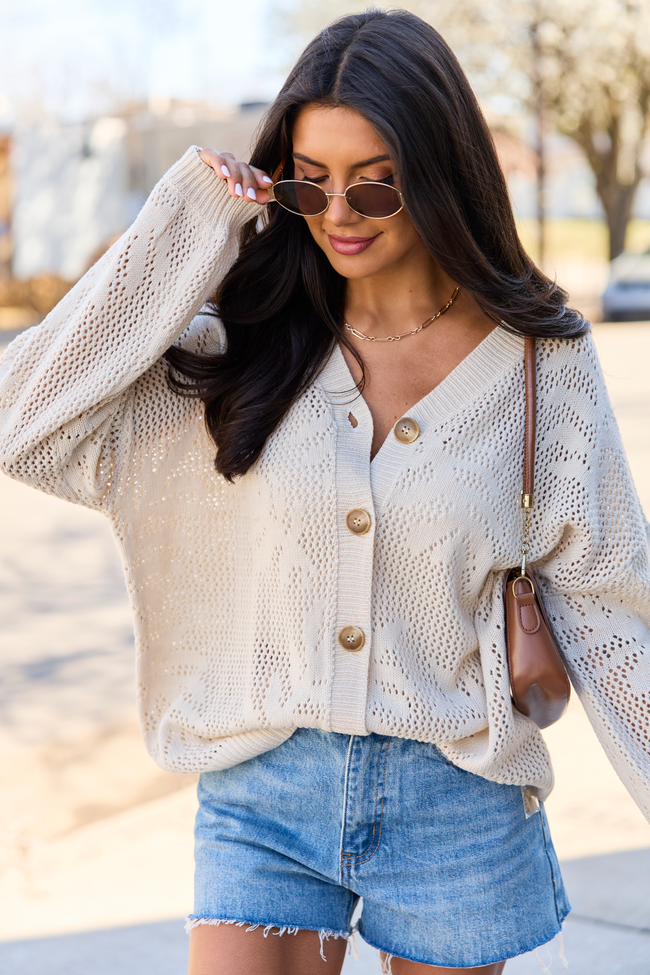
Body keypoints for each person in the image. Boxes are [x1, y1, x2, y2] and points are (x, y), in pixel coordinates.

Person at [1, 9, 649, 975]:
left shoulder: (537, 363)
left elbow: (607, 604)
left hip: (457, 796)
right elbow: (24, 415)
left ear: (439, 170)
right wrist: (183, 229)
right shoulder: (241, 345)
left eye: (376, 182)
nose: (339, 213)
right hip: (263, 791)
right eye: (309, 181)